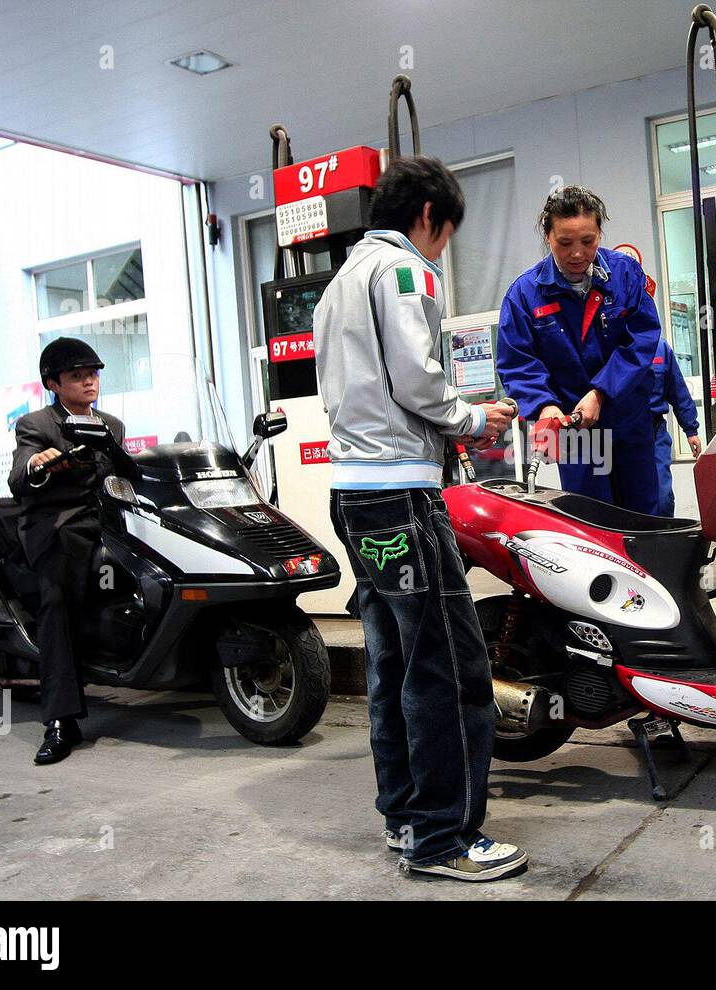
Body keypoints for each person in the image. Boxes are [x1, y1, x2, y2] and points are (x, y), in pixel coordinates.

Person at [313, 155, 524, 883]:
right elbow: (416, 377)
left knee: (394, 660)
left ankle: (406, 817)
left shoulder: (338, 282)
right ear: (429, 217)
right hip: (402, 492)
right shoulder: (405, 271)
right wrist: (473, 419)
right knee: (450, 665)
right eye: (445, 236)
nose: (441, 252)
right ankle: (445, 839)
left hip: (353, 492)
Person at [496, 186, 661, 514]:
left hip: (628, 420)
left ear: (600, 232)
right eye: (564, 243)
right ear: (547, 236)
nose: (576, 253)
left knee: (644, 518)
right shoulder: (525, 294)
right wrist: (545, 407)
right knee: (592, 523)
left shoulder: (624, 275)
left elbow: (642, 339)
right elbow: (517, 361)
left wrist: (601, 392)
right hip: (572, 431)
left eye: (587, 241)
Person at [8, 338, 124, 765]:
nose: (89, 381)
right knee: (55, 601)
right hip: (55, 528)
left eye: (93, 374)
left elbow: (127, 471)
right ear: (54, 383)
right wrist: (39, 464)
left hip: (107, 528)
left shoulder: (111, 423)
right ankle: (60, 720)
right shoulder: (36, 425)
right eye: (77, 376)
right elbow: (20, 475)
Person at [650, 337, 702, 517]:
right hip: (618, 434)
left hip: (653, 432)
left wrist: (691, 429)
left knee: (662, 499)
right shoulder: (613, 344)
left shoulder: (660, 348)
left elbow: (678, 390)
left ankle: (662, 543)